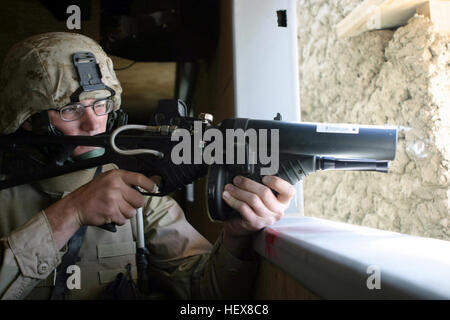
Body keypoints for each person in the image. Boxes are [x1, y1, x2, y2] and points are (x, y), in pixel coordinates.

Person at [0, 32, 295, 300]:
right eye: (71, 110)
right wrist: (72, 212)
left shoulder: (134, 189)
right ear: (28, 119)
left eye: (100, 104)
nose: (92, 123)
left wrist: (235, 235)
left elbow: (204, 294)